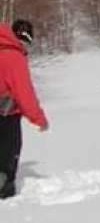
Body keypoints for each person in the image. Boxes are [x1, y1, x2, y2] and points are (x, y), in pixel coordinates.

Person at [0, 20, 48, 200]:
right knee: (8, 151)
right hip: (5, 115)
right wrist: (38, 118)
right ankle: (4, 187)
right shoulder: (13, 57)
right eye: (26, 42)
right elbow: (24, 92)